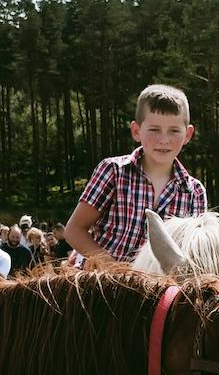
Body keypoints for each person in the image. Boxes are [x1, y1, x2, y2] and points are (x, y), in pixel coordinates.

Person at [64, 84, 208, 265]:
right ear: (136, 131)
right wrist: (113, 269)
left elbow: (193, 253)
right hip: (101, 282)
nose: (164, 139)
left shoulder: (194, 192)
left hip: (157, 289)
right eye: (154, 130)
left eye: (174, 131)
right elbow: (74, 229)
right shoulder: (114, 171)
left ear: (188, 134)